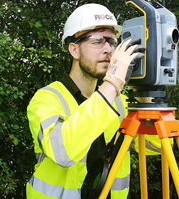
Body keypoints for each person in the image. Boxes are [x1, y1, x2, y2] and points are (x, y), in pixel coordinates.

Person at [26, 3, 163, 199]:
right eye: (98, 41)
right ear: (74, 50)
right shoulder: (47, 99)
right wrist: (114, 81)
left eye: (111, 41)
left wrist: (144, 90)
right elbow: (62, 152)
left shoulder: (119, 102)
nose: (108, 49)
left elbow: (156, 145)